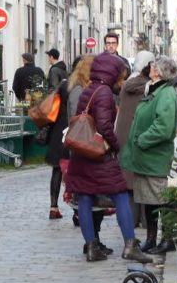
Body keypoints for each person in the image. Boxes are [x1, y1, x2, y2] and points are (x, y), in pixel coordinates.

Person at [65, 52, 152, 263]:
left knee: (85, 197)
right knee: (120, 195)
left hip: (82, 153)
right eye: (120, 74)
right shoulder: (104, 92)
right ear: (111, 72)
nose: (121, 79)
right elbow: (104, 126)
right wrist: (115, 145)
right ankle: (130, 245)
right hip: (99, 154)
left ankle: (91, 247)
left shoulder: (89, 89)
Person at [120, 56, 177, 255]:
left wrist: (142, 140)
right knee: (148, 199)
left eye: (153, 66)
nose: (150, 68)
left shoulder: (166, 93)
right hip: (145, 157)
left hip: (154, 156)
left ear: (159, 72)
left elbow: (163, 126)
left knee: (160, 199)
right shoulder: (154, 90)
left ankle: (167, 239)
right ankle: (151, 239)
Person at [65, 54, 112, 255]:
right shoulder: (79, 90)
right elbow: (78, 122)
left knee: (94, 200)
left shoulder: (85, 88)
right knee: (88, 200)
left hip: (88, 149)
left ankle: (94, 241)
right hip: (86, 150)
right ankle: (91, 242)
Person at [115, 50, 156, 226]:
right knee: (142, 180)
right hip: (139, 136)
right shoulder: (147, 87)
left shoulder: (129, 82)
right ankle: (145, 221)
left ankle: (132, 220)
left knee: (129, 181)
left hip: (124, 135)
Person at [45, 76, 69, 220]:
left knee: (57, 170)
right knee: (74, 171)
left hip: (56, 132)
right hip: (70, 131)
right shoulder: (77, 87)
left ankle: (53, 207)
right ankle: (78, 212)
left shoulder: (61, 87)